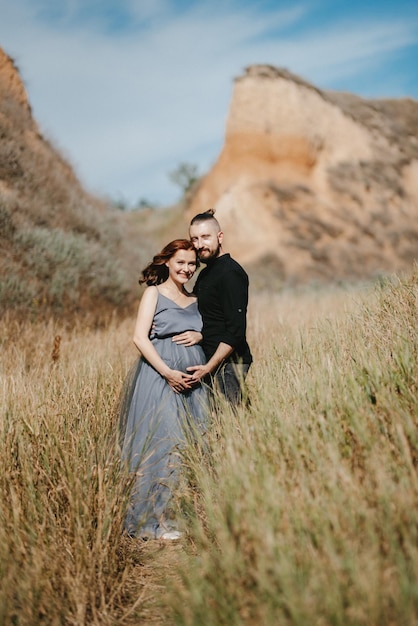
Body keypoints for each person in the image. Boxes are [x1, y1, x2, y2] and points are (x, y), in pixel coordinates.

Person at [119, 239, 208, 541]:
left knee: (187, 444)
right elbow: (140, 338)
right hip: (159, 376)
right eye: (181, 262)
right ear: (168, 262)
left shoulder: (196, 298)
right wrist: (168, 372)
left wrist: (199, 335)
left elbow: (209, 330)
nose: (186, 268)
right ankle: (148, 519)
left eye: (192, 264)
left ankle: (174, 515)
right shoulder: (153, 293)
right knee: (161, 441)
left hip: (193, 381)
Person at [185, 209, 253, 404]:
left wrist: (209, 367)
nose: (199, 245)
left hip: (230, 363)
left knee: (231, 424)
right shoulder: (206, 273)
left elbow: (235, 331)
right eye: (194, 239)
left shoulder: (231, 273)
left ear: (220, 236)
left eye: (205, 237)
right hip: (211, 360)